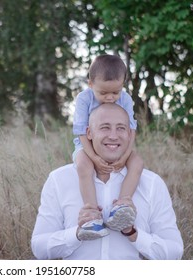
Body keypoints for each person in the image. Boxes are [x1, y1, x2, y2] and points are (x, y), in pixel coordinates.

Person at [31, 103, 183, 260]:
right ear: (89, 132)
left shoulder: (152, 184)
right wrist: (76, 233)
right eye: (105, 127)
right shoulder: (59, 180)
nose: (113, 136)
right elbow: (40, 248)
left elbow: (174, 251)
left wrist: (132, 232)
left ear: (130, 134)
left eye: (121, 128)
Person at [72, 54, 144, 240]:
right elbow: (81, 131)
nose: (110, 97)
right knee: (82, 164)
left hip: (120, 146)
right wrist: (94, 158)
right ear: (90, 84)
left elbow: (131, 128)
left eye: (116, 92)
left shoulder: (125, 99)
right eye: (103, 93)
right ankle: (92, 215)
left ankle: (122, 204)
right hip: (87, 145)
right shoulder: (83, 98)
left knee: (137, 162)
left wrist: (125, 155)